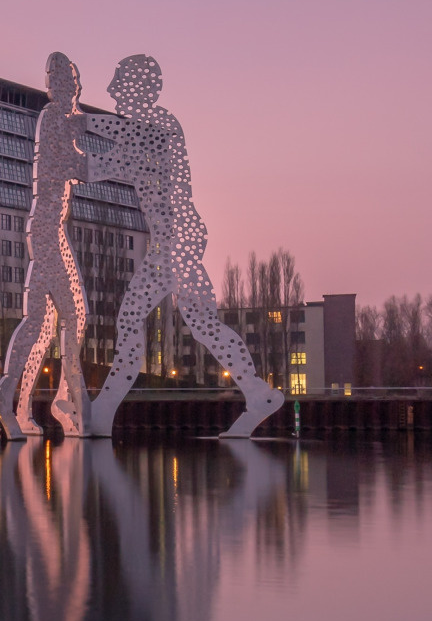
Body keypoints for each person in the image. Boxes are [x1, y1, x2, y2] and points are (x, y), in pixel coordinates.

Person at [83, 55, 286, 440]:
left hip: (176, 239)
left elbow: (112, 158)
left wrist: (78, 122)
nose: (110, 90)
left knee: (134, 319)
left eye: (118, 82)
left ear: (142, 89)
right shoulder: (147, 133)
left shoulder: (160, 127)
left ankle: (103, 413)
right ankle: (258, 393)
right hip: (173, 239)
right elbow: (115, 158)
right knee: (199, 322)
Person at [0, 53, 91, 439]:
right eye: (70, 84)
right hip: (48, 230)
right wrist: (123, 155)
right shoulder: (54, 118)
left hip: (50, 230)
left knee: (42, 324)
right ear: (59, 86)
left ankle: (15, 405)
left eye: (75, 84)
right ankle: (64, 399)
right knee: (74, 315)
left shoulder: (62, 121)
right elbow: (77, 166)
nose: (75, 91)